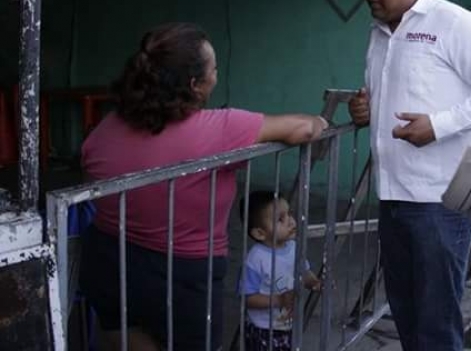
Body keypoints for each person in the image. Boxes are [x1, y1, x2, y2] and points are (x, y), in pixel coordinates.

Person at [79, 23, 328, 351]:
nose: (217, 75)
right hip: (180, 272)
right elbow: (306, 128)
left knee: (123, 334)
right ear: (195, 85)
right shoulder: (219, 129)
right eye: (214, 69)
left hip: (108, 257)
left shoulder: (106, 128)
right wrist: (323, 123)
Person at [348, 0, 471, 350]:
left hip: (438, 201)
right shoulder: (379, 33)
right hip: (391, 196)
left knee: (436, 323)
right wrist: (364, 109)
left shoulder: (453, 23)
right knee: (406, 315)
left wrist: (438, 126)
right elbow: (390, 91)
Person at [239, 191, 321, 351]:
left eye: (289, 214)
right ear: (259, 233)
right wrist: (278, 300)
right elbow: (247, 298)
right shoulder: (256, 259)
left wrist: (315, 282)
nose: (290, 221)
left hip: (288, 325)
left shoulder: (293, 247)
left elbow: (303, 272)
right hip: (263, 330)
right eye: (280, 219)